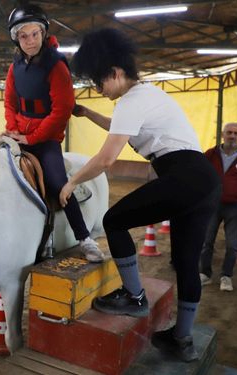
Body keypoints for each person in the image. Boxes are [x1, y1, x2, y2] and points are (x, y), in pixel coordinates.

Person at [59, 28, 221, 362]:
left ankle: (134, 296)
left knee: (114, 221)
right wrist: (88, 113)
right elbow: (120, 125)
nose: (98, 90)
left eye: (98, 82)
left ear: (115, 73)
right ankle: (182, 339)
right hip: (204, 181)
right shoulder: (146, 95)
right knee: (187, 263)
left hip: (184, 175)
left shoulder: (132, 101)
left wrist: (72, 182)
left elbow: (106, 159)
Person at [2, 4, 104, 263]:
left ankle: (84, 238)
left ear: (43, 33)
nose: (29, 41)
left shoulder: (56, 65)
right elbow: (10, 102)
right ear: (17, 39)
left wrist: (32, 138)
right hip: (18, 135)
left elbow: (62, 110)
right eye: (23, 36)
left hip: (45, 140)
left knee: (58, 185)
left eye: (34, 34)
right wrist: (13, 129)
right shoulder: (15, 67)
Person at [200, 122, 237, 292]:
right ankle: (204, 274)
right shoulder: (210, 154)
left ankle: (226, 276)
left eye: (236, 133)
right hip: (211, 206)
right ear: (222, 134)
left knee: (232, 245)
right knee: (206, 241)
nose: (232, 136)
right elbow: (200, 176)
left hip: (235, 207)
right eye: (229, 132)